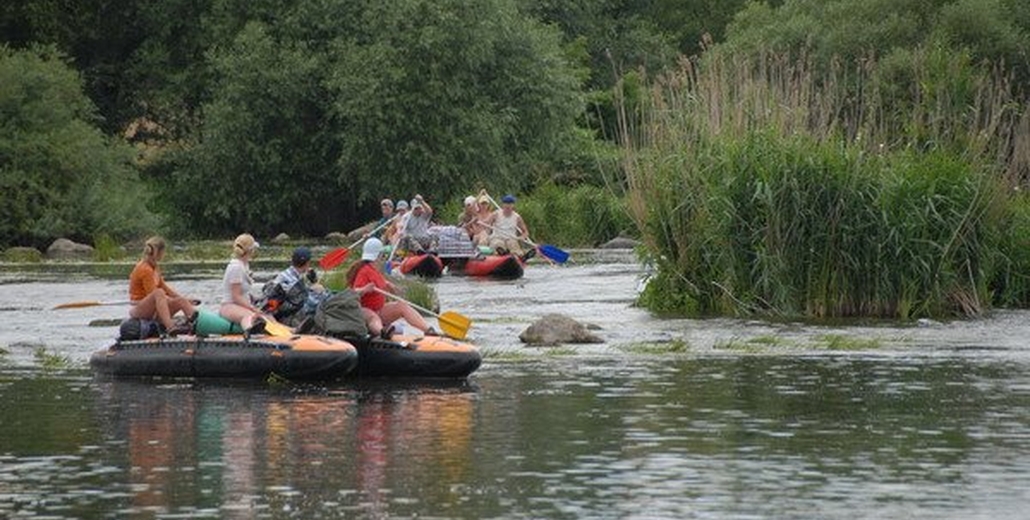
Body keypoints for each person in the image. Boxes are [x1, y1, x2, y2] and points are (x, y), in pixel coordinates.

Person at [347, 238, 438, 338]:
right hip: (362, 311)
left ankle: (428, 330)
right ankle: (382, 332)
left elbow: (380, 283)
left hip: (378, 309)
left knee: (402, 306)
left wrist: (390, 286)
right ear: (378, 255)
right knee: (373, 317)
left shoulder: (375, 270)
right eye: (382, 255)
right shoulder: (363, 271)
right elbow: (353, 292)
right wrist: (364, 289)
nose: (384, 257)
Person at [128, 236, 196, 336]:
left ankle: (197, 325)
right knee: (158, 293)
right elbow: (154, 295)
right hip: (141, 309)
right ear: (159, 252)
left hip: (157, 308)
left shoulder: (155, 267)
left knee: (181, 300)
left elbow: (165, 288)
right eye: (164, 252)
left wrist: (185, 300)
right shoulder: (144, 269)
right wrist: (171, 300)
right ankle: (170, 327)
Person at [260, 246, 329, 326]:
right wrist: (317, 288)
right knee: (322, 299)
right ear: (307, 263)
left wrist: (313, 283)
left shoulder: (288, 273)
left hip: (284, 306)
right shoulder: (294, 281)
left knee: (321, 294)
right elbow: (301, 300)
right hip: (289, 313)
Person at [219, 233, 269, 334]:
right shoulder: (236, 267)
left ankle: (291, 330)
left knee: (267, 316)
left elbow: (244, 294)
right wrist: (252, 308)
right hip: (229, 306)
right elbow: (236, 296)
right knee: (250, 316)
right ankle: (249, 332)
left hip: (239, 306)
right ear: (250, 250)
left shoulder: (244, 265)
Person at [484, 194, 533, 258]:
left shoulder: (517, 217)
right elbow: (487, 224)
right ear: (503, 205)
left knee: (513, 245)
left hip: (511, 238)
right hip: (498, 237)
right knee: (498, 244)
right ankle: (501, 254)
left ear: (513, 205)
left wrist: (522, 237)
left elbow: (526, 232)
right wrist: (487, 235)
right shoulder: (496, 214)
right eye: (506, 204)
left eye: (510, 204)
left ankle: (519, 256)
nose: (508, 206)